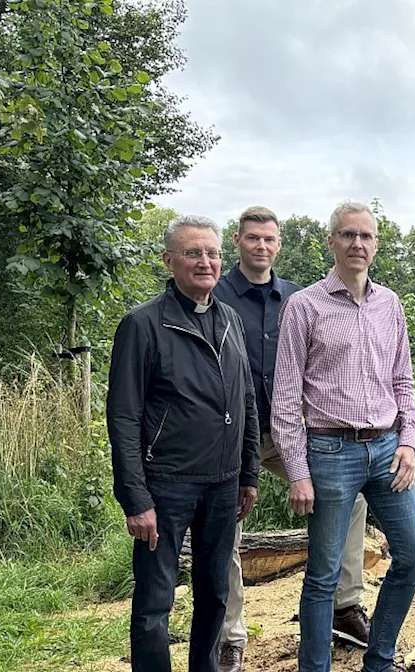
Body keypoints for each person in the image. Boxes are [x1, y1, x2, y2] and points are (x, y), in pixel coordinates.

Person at [271, 200, 415, 672]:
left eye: (365, 236)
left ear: (376, 245)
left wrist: (408, 441)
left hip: (387, 450)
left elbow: (403, 380)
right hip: (329, 451)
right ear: (331, 242)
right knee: (322, 576)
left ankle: (379, 661)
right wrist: (297, 471)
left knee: (414, 556)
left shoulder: (390, 304)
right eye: (347, 235)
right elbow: (284, 398)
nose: (357, 244)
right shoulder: (305, 306)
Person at [211, 206, 372, 671]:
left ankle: (344, 605)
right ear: (237, 242)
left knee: (349, 498)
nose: (262, 246)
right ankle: (230, 635)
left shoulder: (298, 299)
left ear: (279, 244)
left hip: (286, 430)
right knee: (226, 527)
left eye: (269, 239)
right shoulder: (216, 296)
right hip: (229, 434)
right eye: (253, 238)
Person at [107, 214, 261, 672]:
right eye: (193, 252)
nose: (205, 261)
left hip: (222, 484)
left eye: (212, 253)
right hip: (166, 486)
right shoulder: (143, 325)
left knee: (215, 592)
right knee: (156, 601)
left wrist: (248, 473)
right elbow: (123, 417)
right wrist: (136, 499)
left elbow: (246, 399)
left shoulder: (230, 319)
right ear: (169, 260)